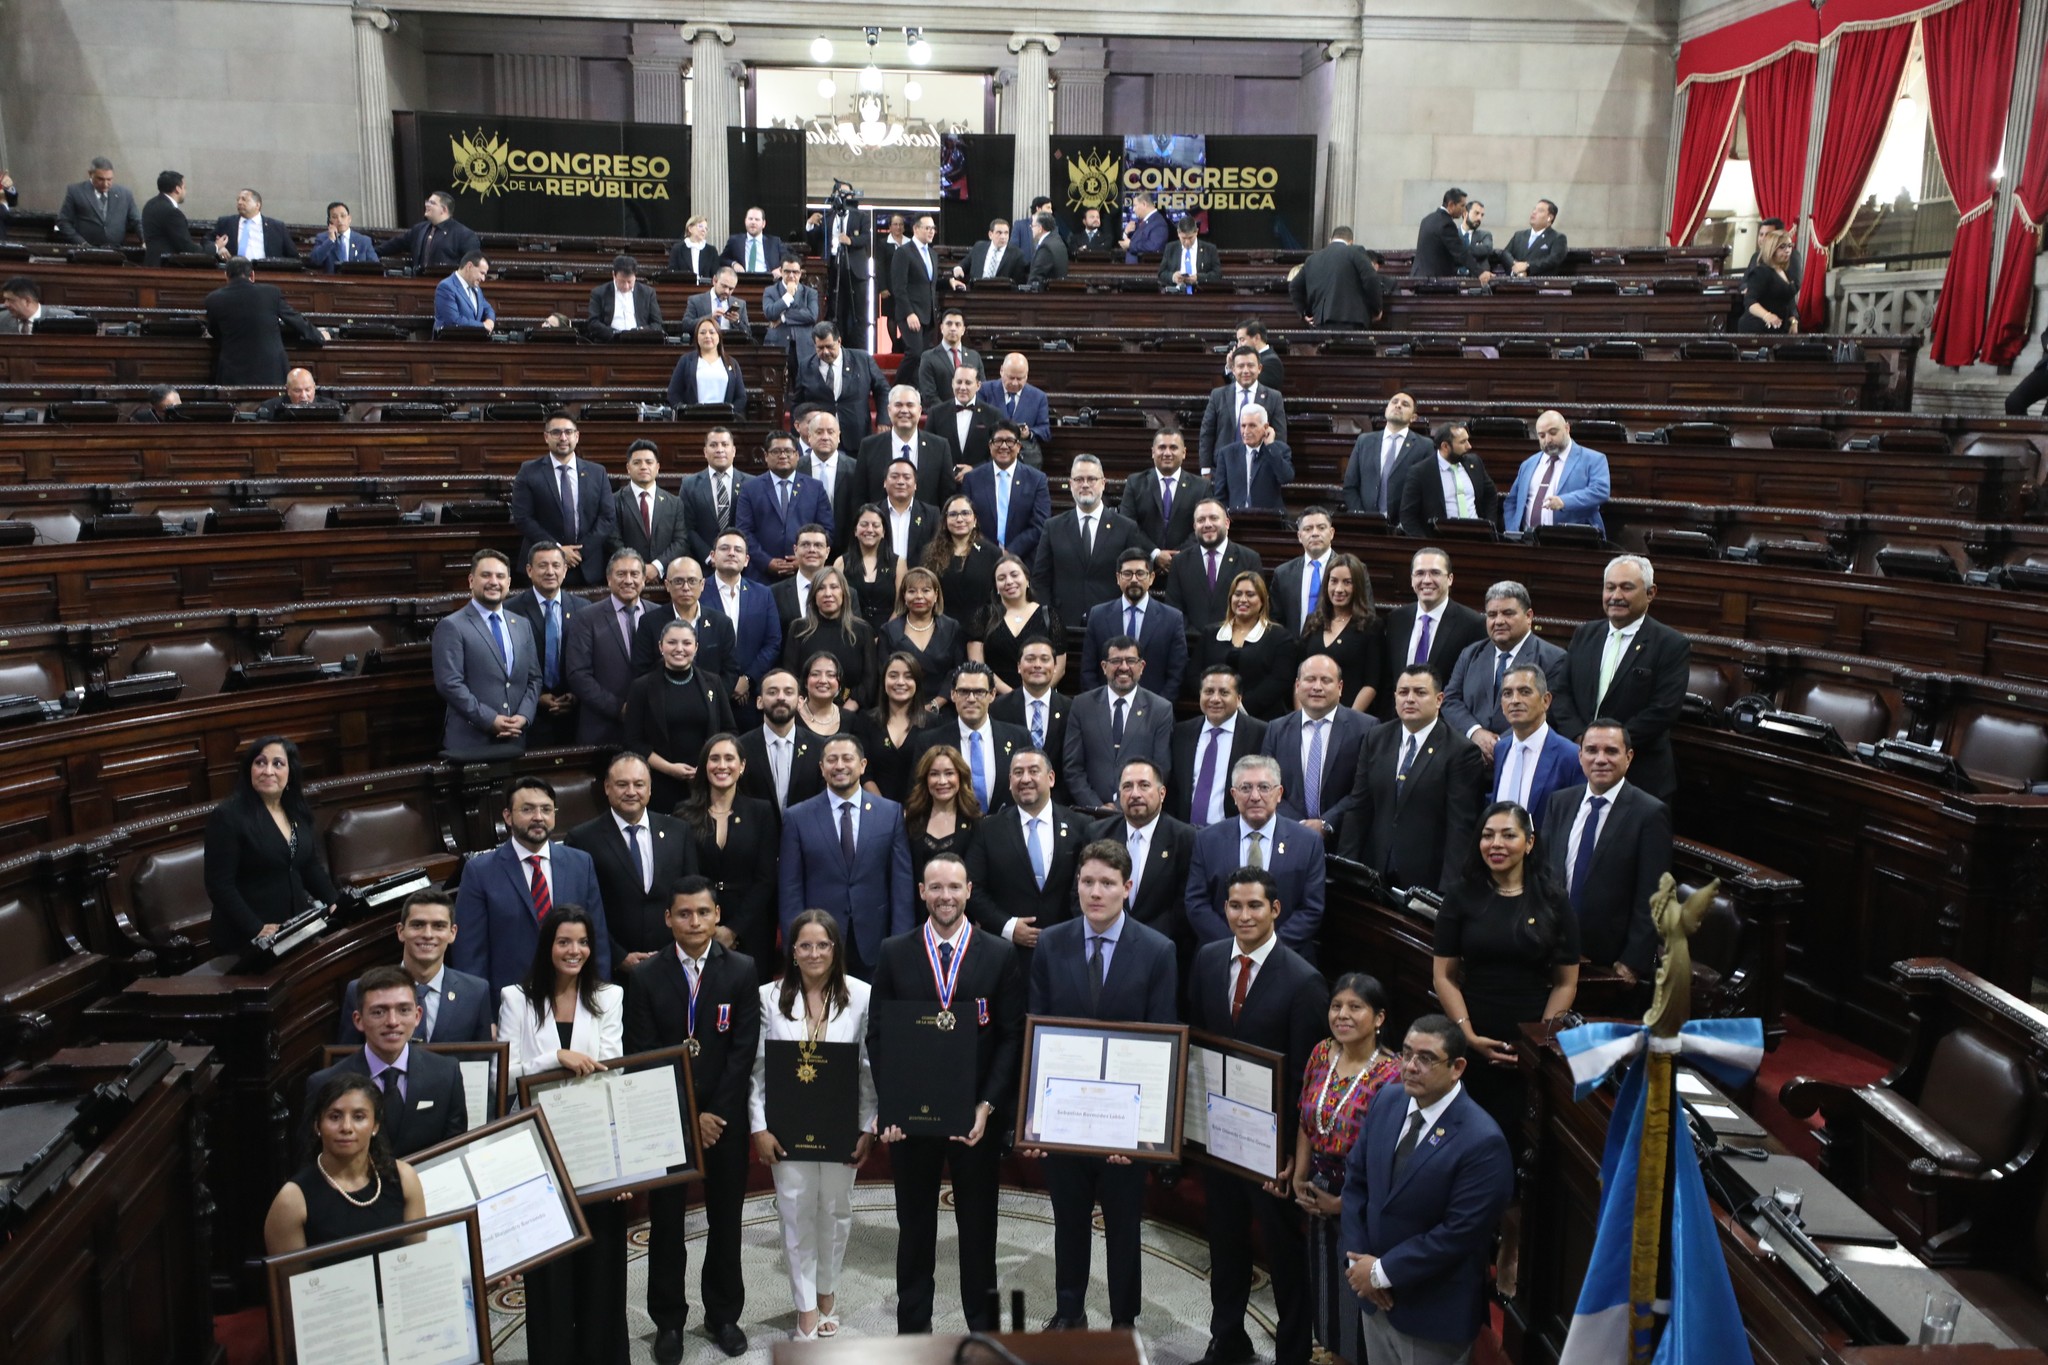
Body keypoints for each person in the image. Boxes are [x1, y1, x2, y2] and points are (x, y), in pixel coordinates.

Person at [870, 852, 1027, 1333]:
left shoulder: (998, 954)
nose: (945, 897)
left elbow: (1010, 1037)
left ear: (969, 890)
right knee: (915, 1228)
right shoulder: (894, 951)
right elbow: (879, 1035)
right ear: (921, 892)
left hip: (974, 1119)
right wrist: (892, 1106)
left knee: (978, 1230)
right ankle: (913, 1330)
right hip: (913, 1120)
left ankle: (984, 1329)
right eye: (935, 888)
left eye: (954, 887)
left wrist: (987, 1106)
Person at [1025, 840, 1178, 1330]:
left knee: (1123, 1229)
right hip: (1065, 1120)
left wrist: (1140, 1137)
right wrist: (1035, 1119)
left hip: (1124, 1130)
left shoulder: (1158, 951)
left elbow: (1161, 1044)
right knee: (1068, 1223)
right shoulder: (1052, 942)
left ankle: (1123, 1321)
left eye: (1107, 883)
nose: (1096, 892)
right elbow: (1037, 1026)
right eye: (1088, 882)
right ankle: (1069, 1312)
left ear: (1127, 888)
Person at [1188, 867, 1329, 1365]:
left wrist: (1292, 1156)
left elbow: (1306, 1082)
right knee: (1224, 1247)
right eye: (1234, 906)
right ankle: (1227, 1338)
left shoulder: (1303, 980)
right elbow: (1197, 1047)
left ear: (1275, 910)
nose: (1243, 915)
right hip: (1218, 1140)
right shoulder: (1206, 960)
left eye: (1253, 906)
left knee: (1284, 1257)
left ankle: (1292, 1352)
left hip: (1273, 1153)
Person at [625, 878, 762, 1363]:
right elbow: (642, 1055)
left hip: (724, 1120)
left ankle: (723, 1314)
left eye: (703, 913)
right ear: (669, 918)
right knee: (666, 1225)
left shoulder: (741, 970)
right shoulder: (644, 977)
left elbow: (743, 1050)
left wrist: (715, 1114)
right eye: (684, 914)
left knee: (727, 1219)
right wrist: (688, 1117)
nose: (695, 922)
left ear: (717, 914)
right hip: (667, 1120)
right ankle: (668, 1321)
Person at [1340, 1015, 1515, 1365]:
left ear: (1457, 1067)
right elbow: (1356, 1183)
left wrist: (1380, 1272)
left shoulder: (1482, 1141)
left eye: (1426, 1058)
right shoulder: (1386, 1101)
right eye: (1406, 1054)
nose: (1410, 1066)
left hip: (1432, 1314)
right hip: (1374, 1301)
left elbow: (1459, 1233)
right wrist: (1360, 1262)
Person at [499, 904, 629, 1363]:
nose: (574, 951)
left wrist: (620, 1165)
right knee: (550, 1276)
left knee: (602, 1270)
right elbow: (507, 1074)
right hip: (538, 1155)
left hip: (594, 1152)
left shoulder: (609, 996)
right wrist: (555, 1057)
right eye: (563, 942)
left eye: (581, 942)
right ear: (548, 946)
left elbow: (612, 1073)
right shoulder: (517, 998)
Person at [750, 910, 878, 1341]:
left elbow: (868, 1068)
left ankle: (827, 1293)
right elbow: (757, 1070)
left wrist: (868, 1126)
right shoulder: (768, 996)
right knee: (794, 1208)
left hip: (841, 1126)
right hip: (786, 1126)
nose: (814, 953)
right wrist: (758, 1126)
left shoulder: (861, 995)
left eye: (823, 944)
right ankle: (805, 1306)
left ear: (836, 949)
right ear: (793, 951)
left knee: (835, 1211)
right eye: (805, 945)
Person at [1431, 801, 1580, 1148]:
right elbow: (1444, 976)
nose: (1496, 844)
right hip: (1471, 1030)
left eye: (1508, 835)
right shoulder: (1461, 895)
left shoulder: (1554, 900)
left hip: (1529, 1038)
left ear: (1529, 843)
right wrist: (1466, 1034)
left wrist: (1539, 1041)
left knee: (1517, 1138)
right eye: (1487, 835)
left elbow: (1565, 982)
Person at [1291, 973, 1402, 1365]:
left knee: (1359, 1298)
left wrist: (1345, 1204)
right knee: (1327, 1292)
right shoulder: (1323, 1052)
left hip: (1364, 1197)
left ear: (1379, 1017)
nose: (1343, 1015)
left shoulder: (1393, 1075)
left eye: (1356, 1007)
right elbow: (1307, 1118)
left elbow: (1390, 1157)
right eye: (1337, 1006)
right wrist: (1301, 1176)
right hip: (1318, 1186)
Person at [451, 777, 611, 994]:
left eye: (546, 809)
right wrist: (483, 1017)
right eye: (527, 809)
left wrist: (599, 996)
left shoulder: (581, 864)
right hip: (509, 1002)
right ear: (507, 816)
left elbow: (597, 938)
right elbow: (470, 952)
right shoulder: (480, 872)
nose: (538, 817)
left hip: (573, 997)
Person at [1541, 719, 1670, 985]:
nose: (1600, 759)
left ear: (1629, 757)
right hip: (1549, 949)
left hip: (1607, 963)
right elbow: (1542, 873)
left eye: (1611, 751)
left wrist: (1633, 962)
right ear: (1580, 755)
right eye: (1591, 750)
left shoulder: (1649, 813)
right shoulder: (1560, 802)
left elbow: (1653, 896)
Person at [1341, 664, 1487, 894]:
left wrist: (1449, 891)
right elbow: (1359, 806)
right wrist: (1346, 866)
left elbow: (1460, 828)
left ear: (1439, 699)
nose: (1410, 699)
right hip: (1373, 872)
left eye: (1420, 692)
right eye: (1403, 692)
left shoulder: (1460, 751)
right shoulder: (1375, 738)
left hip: (1426, 880)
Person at [780, 734, 914, 978]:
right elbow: (790, 888)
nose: (839, 765)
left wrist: (901, 943)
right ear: (822, 768)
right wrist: (796, 944)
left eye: (847, 758)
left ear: (862, 765)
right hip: (818, 944)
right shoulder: (797, 817)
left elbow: (901, 885)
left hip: (875, 942)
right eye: (832, 760)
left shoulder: (890, 813)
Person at [1556, 555, 1688, 802]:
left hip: (1640, 777)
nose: (1616, 595)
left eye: (1626, 587)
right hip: (1580, 768)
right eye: (1610, 587)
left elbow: (1663, 710)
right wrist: (1582, 741)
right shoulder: (1585, 634)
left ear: (1650, 593)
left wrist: (1606, 747)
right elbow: (1562, 693)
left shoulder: (1670, 644)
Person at [305, 966, 469, 1155]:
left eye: (403, 1010)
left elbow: (455, 1153)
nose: (392, 1021)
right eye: (378, 1012)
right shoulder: (323, 1084)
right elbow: (312, 1161)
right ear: (358, 1020)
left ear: (417, 1016)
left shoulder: (447, 1074)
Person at [203, 735, 339, 956]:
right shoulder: (229, 817)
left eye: (278, 763)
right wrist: (255, 928)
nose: (268, 771)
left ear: (290, 772)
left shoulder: (296, 812)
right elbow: (220, 885)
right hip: (247, 939)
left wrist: (334, 901)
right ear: (250, 770)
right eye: (260, 763)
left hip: (295, 929)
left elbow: (308, 866)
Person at [263, 1073, 425, 1254]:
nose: (346, 1127)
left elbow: (417, 1265)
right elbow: (290, 1280)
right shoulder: (292, 1200)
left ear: (375, 1126)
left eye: (359, 1117)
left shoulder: (404, 1178)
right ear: (317, 1125)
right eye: (334, 1117)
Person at [1184, 756, 1326, 957]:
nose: (1255, 796)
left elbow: (1311, 908)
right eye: (1245, 788)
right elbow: (1196, 903)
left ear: (1279, 794)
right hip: (1222, 956)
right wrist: (1236, 948)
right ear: (1233, 795)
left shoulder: (1307, 842)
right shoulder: (1207, 840)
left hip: (1286, 958)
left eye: (1264, 787)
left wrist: (1268, 950)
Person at [336, 889, 494, 1045]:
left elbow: (481, 1062)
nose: (428, 934)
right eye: (418, 925)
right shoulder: (359, 990)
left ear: (452, 933)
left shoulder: (476, 993)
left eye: (439, 926)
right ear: (401, 931)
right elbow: (347, 1062)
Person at [681, 735, 781, 978]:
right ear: (705, 766)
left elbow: (766, 878)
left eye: (729, 758)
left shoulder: (762, 812)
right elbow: (685, 876)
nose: (722, 766)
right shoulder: (683, 813)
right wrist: (708, 927)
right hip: (699, 926)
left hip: (751, 928)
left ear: (742, 766)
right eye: (714, 759)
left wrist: (733, 930)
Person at [1442, 580, 1572, 764]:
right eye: (1492, 614)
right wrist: (1476, 733)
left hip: (1523, 759)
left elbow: (1549, 711)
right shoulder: (1470, 654)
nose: (1499, 621)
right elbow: (1450, 700)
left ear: (1529, 616)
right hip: (1468, 757)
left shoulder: (1553, 658)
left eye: (1508, 613)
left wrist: (1499, 745)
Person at [431, 548, 542, 756]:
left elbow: (534, 678)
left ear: (508, 583)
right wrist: (490, 719)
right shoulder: (451, 626)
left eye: (500, 576)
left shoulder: (522, 625)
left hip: (516, 740)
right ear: (471, 581)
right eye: (486, 575)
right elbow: (449, 684)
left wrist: (524, 717)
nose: (494, 582)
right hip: (470, 742)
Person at [1091, 759, 1198, 968]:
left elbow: (1185, 903)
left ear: (1162, 793)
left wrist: (1143, 940)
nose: (1135, 794)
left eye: (1144, 785)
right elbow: (1080, 894)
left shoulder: (1185, 838)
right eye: (1127, 786)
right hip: (1105, 949)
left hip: (1164, 952)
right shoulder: (1098, 833)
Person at [624, 622, 738, 813]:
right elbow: (632, 741)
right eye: (672, 642)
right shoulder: (641, 687)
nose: (679, 649)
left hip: (707, 782)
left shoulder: (713, 682)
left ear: (696, 647)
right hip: (661, 783)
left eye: (686, 643)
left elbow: (729, 731)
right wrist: (669, 768)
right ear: (661, 647)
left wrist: (709, 766)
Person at [1033, 455, 1154, 630]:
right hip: (1063, 623)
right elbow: (1041, 579)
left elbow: (1133, 577)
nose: (1085, 484)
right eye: (1079, 479)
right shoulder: (1053, 527)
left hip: (1111, 623)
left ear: (1103, 483)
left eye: (1091, 479)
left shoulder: (1126, 527)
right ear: (1071, 483)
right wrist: (1047, 619)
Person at [1261, 654, 1375, 834]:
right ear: (1297, 686)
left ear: (1340, 687)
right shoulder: (1276, 729)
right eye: (1310, 679)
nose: (1317, 687)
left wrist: (1326, 823)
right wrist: (1299, 825)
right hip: (1289, 835)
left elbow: (1365, 788)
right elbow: (1266, 784)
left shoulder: (1366, 728)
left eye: (1326, 680)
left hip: (1344, 837)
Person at [1065, 635, 1176, 812]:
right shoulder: (1081, 705)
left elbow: (1161, 768)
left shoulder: (1160, 709)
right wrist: (1097, 807)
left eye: (1131, 661)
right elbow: (1072, 767)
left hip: (1139, 812)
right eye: (1116, 661)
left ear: (1142, 666)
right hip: (1089, 814)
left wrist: (1120, 806)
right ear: (1104, 666)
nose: (1124, 667)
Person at [907, 660, 1031, 813]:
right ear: (953, 694)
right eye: (964, 692)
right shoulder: (930, 742)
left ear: (992, 695)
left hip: (1005, 832)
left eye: (979, 692)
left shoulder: (1019, 738)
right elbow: (918, 797)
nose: (971, 699)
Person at [513, 414, 618, 587]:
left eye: (568, 432)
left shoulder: (597, 472)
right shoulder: (528, 471)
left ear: (577, 436)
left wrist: (578, 553)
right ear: (546, 437)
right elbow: (523, 518)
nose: (563, 438)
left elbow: (607, 517)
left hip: (587, 565)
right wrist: (557, 550)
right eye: (556, 432)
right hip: (544, 565)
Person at [1381, 547, 1487, 717]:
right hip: (1398, 724)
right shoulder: (1396, 619)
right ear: (1411, 579)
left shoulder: (1473, 624)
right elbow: (1387, 679)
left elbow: (1474, 687)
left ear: (1450, 579)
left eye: (1435, 573)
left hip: (1446, 729)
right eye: (1420, 573)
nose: (1427, 580)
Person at [563, 549, 650, 747]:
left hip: (651, 728)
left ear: (644, 579)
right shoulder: (586, 618)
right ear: (609, 579)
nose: (628, 580)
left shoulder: (658, 614)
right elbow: (578, 675)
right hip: (601, 727)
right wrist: (619, 708)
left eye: (634, 574)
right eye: (621, 574)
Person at [507, 541, 587, 747]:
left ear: (565, 570)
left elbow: (589, 658)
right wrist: (538, 697)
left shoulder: (584, 609)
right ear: (529, 570)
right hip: (526, 713)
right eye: (543, 566)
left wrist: (576, 694)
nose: (550, 571)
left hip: (574, 714)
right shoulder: (510, 611)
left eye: (556, 565)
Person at [1081, 547, 1188, 701]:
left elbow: (1177, 674)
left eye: (1140, 574)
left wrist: (1158, 710)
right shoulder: (1098, 615)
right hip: (1106, 709)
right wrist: (1100, 706)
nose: (1134, 580)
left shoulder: (1172, 618)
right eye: (1127, 574)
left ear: (1151, 578)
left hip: (1155, 712)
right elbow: (1088, 670)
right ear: (1118, 578)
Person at [1172, 667, 1270, 827]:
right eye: (1209, 691)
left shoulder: (1260, 733)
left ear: (1238, 698)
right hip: (1184, 832)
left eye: (1224, 693)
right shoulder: (1182, 732)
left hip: (1234, 832)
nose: (1215, 699)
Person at [202, 257, 324, 385]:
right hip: (271, 373)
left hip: (234, 375)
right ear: (252, 275)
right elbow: (295, 319)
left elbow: (215, 332)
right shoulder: (271, 293)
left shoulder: (213, 299)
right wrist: (318, 336)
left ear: (226, 276)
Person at [1491, 665, 1581, 829]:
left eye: (1524, 692)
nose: (1515, 700)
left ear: (1546, 700)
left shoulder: (1571, 756)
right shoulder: (1500, 749)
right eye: (1507, 693)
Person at [1200, 572, 1297, 721]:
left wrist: (1241, 706)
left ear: (1263, 601)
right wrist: (1214, 698)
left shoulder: (1280, 637)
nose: (1243, 600)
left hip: (1263, 719)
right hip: (1215, 714)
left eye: (1250, 594)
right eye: (1237, 594)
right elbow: (1195, 674)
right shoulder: (1210, 633)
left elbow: (1280, 679)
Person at [738, 431, 835, 581]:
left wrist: (804, 560)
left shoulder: (815, 488)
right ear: (765, 456)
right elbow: (744, 532)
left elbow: (826, 529)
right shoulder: (750, 489)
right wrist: (766, 562)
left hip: (805, 574)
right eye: (776, 451)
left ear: (797, 455)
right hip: (761, 575)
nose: (783, 455)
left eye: (788, 451)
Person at [1298, 551, 1385, 714]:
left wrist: (1348, 720)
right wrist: (1301, 715)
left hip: (1350, 717)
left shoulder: (1371, 626)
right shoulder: (1313, 621)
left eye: (1347, 582)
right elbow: (1299, 674)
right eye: (1334, 581)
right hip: (1310, 714)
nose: (1339, 589)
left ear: (1357, 586)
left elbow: (1371, 684)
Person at [702, 527, 783, 702]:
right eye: (724, 548)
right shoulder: (698, 592)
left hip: (751, 694)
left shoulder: (763, 594)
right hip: (707, 693)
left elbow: (773, 642)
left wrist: (747, 679)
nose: (731, 553)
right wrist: (724, 684)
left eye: (738, 550)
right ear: (713, 556)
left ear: (746, 560)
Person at [1164, 498, 1264, 635]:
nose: (1207, 524)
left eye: (1213, 518)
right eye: (1201, 520)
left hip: (1236, 643)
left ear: (1227, 523)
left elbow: (1257, 607)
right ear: (1194, 527)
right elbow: (1173, 608)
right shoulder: (1180, 562)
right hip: (1192, 645)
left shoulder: (1249, 559)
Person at [1504, 409, 1611, 537]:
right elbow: (1512, 501)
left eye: (1553, 433)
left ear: (1567, 428)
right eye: (1542, 436)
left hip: (1574, 541)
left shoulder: (1593, 459)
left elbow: (1600, 491)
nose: (1548, 440)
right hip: (1528, 541)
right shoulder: (1528, 464)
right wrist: (1513, 532)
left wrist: (1564, 501)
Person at [968, 553, 1064, 693]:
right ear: (996, 587)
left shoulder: (1049, 615)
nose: (1009, 582)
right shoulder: (983, 616)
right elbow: (978, 664)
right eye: (1001, 578)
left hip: (1040, 697)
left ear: (1027, 579)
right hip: (996, 699)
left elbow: (1059, 667)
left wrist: (1036, 694)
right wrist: (1013, 696)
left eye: (1014, 575)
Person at [782, 568, 876, 706]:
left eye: (834, 587)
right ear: (813, 595)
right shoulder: (798, 629)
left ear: (844, 592)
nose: (828, 594)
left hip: (851, 713)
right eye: (821, 588)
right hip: (806, 710)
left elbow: (870, 679)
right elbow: (790, 675)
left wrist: (849, 709)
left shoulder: (862, 630)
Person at [737, 668, 824, 811]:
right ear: (759, 702)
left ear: (799, 702)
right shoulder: (741, 748)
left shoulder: (819, 747)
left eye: (788, 692)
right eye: (772, 692)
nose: (781, 697)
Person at [962, 422, 1051, 559]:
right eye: (998, 441)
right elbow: (967, 521)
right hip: (980, 557)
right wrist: (992, 552)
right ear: (990, 446)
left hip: (1023, 560)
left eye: (1010, 441)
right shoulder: (972, 479)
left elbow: (1040, 525)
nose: (1003, 446)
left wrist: (1010, 553)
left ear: (1019, 446)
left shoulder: (1036, 480)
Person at [857, 385, 955, 509]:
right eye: (898, 405)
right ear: (888, 410)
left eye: (910, 405)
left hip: (927, 526)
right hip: (880, 525)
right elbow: (859, 496)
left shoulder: (940, 447)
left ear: (920, 411)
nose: (904, 410)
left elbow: (947, 496)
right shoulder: (869, 447)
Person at [794, 322, 893, 443]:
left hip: (856, 435)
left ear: (839, 341)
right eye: (820, 348)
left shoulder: (862, 359)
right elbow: (797, 402)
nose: (825, 352)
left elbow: (882, 389)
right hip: (821, 438)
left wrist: (883, 419)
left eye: (829, 346)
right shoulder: (806, 366)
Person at [605, 440, 689, 584]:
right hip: (627, 578)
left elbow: (680, 542)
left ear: (657, 467)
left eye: (649, 462)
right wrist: (639, 569)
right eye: (637, 462)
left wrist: (656, 567)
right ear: (628, 468)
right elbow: (613, 541)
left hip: (665, 578)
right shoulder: (613, 501)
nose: (643, 467)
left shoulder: (674, 503)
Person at [1120, 428, 1209, 559]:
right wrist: (1155, 554)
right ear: (1153, 452)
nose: (1167, 453)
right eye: (1162, 447)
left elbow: (1204, 527)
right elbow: (1127, 524)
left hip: (1187, 563)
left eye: (1173, 447)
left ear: (1184, 453)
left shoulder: (1201, 487)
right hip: (1144, 564)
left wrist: (1178, 556)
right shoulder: (1135, 483)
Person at [1343, 392, 1434, 517]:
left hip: (1405, 526)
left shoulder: (1424, 445)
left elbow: (1427, 490)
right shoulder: (1364, 441)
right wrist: (1360, 515)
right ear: (1386, 410)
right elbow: (1350, 486)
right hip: (1366, 521)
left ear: (1413, 417)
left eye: (1405, 404)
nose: (1398, 406)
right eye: (1394, 402)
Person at [1400, 421, 1498, 537]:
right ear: (1445, 446)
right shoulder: (1420, 472)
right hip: (1441, 539)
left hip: (1478, 537)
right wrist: (1426, 545)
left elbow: (1491, 495)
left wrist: (1489, 526)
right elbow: (1408, 516)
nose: (1469, 446)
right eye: (1462, 442)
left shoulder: (1474, 463)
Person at [1201, 347, 1290, 472]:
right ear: (1233, 369)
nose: (1245, 370)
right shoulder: (1218, 395)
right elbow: (1207, 433)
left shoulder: (1274, 397)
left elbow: (1280, 436)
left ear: (1259, 368)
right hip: (1223, 468)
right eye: (1241, 366)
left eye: (1250, 365)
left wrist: (1276, 465)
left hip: (1261, 468)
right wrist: (1205, 468)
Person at [904, 741, 983, 883]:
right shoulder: (911, 820)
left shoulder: (975, 822)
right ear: (925, 779)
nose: (942, 781)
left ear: (960, 776)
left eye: (949, 773)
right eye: (934, 774)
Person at [992, 638, 1070, 772]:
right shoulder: (998, 708)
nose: (1037, 665)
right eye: (1030, 659)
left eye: (1045, 659)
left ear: (1055, 666)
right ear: (1018, 666)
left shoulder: (1071, 709)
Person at [863, 653, 930, 803]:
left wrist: (912, 811)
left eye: (908, 676)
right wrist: (886, 810)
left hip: (921, 810)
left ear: (917, 682)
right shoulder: (866, 721)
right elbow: (864, 773)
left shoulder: (933, 723)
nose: (900, 682)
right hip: (877, 809)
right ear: (884, 681)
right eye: (893, 676)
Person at [924, 493, 1002, 623]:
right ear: (944, 521)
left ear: (975, 520)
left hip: (982, 630)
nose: (959, 519)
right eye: (953, 514)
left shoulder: (992, 553)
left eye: (965, 513)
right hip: (940, 628)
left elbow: (996, 600)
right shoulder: (929, 553)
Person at [883, 565, 966, 684]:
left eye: (926, 590)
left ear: (936, 595)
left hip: (944, 700)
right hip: (900, 696)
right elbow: (884, 674)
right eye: (912, 591)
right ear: (904, 596)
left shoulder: (952, 627)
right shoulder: (888, 630)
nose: (919, 596)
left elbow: (958, 671)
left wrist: (936, 702)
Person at [1290, 227, 1383, 328]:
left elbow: (1294, 286)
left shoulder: (1313, 259)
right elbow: (1371, 279)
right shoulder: (1356, 252)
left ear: (1330, 240)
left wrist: (1303, 313)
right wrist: (1376, 309)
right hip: (1352, 319)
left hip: (1321, 321)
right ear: (1351, 242)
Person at [1210, 404, 1294, 514]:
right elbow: (1220, 494)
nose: (1246, 431)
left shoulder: (1279, 450)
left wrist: (1270, 446)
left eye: (1252, 426)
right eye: (1243, 426)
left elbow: (1286, 477)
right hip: (1235, 519)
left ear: (1265, 427)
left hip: (1269, 519)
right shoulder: (1226, 453)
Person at [838, 503, 903, 632]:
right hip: (850, 632)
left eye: (875, 525)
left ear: (884, 531)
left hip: (889, 634)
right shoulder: (841, 562)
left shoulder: (899, 563)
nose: (870, 530)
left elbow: (900, 606)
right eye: (864, 524)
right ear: (855, 531)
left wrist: (886, 634)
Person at [890, 213, 941, 365]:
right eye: (927, 228)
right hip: (911, 314)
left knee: (924, 358)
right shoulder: (904, 252)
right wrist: (909, 313)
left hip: (928, 314)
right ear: (916, 229)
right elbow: (899, 287)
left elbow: (929, 282)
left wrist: (950, 282)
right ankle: (895, 388)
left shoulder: (933, 254)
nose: (931, 231)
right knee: (915, 353)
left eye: (933, 228)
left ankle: (916, 388)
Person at [668, 315, 748, 412]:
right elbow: (673, 393)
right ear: (697, 337)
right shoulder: (686, 361)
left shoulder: (731, 362)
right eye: (702, 333)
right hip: (693, 419)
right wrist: (684, 411)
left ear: (719, 336)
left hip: (724, 420)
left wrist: (731, 413)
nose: (707, 336)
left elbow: (741, 397)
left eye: (712, 332)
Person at [56, 157, 142, 246]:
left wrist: (145, 240)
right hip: (85, 251)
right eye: (100, 179)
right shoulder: (75, 191)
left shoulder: (125, 194)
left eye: (109, 179)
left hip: (117, 251)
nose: (105, 184)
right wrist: (81, 243)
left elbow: (137, 221)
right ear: (90, 174)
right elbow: (63, 222)